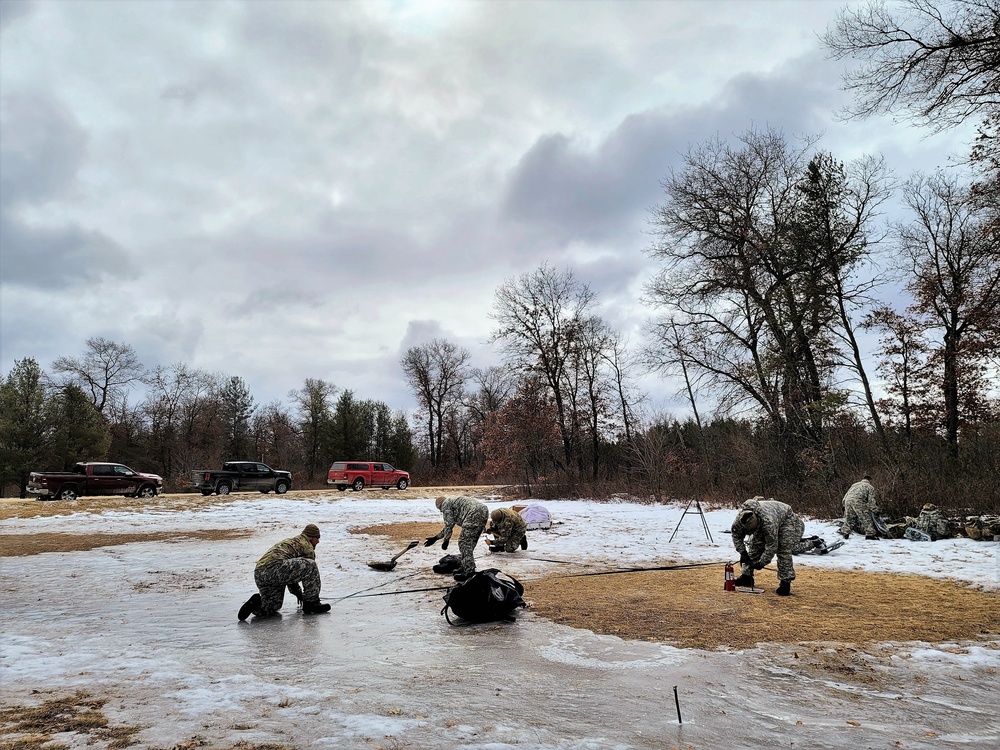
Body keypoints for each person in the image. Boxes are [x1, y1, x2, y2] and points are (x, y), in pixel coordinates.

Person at [238, 523, 331, 621]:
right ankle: (312, 604)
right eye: (317, 538)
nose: (318, 541)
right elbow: (306, 572)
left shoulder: (292, 541)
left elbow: (291, 573)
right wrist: (304, 596)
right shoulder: (307, 547)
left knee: (274, 605)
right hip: (275, 568)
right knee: (311, 565)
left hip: (260, 572)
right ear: (311, 537)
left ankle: (257, 604)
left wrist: (297, 592)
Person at [730, 497, 804, 596]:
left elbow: (772, 546)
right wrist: (743, 552)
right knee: (755, 545)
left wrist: (762, 563)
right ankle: (746, 577)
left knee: (783, 549)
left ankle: (785, 582)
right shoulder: (739, 521)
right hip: (767, 520)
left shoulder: (768, 522)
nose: (752, 533)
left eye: (753, 529)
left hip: (786, 519)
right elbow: (736, 536)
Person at [424, 496, 488, 581]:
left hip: (473, 514)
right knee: (470, 543)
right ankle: (466, 565)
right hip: (483, 511)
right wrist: (436, 538)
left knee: (464, 543)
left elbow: (449, 525)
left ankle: (469, 572)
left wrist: (446, 540)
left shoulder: (445, 505)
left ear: (440, 506)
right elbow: (448, 526)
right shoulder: (452, 502)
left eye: (440, 510)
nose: (442, 512)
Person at [839, 475, 880, 540]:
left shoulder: (854, 485)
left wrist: (844, 505)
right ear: (870, 480)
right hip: (859, 501)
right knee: (866, 518)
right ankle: (870, 534)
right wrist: (875, 510)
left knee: (849, 518)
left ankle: (845, 532)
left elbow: (846, 495)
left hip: (848, 501)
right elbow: (871, 500)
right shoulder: (869, 487)